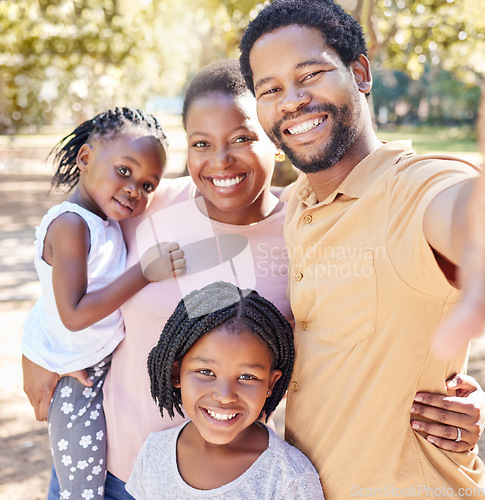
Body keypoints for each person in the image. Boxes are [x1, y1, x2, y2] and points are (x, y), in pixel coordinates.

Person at [22, 61, 484, 498]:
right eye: (201, 143)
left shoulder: (306, 228)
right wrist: (40, 349)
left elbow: (366, 331)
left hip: (237, 486)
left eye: (242, 137)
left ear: (274, 139)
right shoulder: (146, 207)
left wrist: (458, 395)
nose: (220, 161)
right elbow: (66, 262)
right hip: (110, 476)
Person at [239, 0, 485, 497]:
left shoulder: (415, 189)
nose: (291, 101)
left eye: (311, 74)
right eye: (271, 89)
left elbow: (461, 215)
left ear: (359, 72)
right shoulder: (295, 207)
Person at [21, 107, 185, 500]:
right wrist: (144, 273)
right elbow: (73, 313)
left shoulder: (104, 222)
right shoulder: (71, 225)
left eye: (149, 185)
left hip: (100, 367)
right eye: (125, 171)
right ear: (85, 158)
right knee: (82, 489)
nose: (134, 190)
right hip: (77, 377)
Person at [125, 281, 324, 499]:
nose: (225, 395)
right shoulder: (154, 453)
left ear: (271, 383)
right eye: (206, 372)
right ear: (177, 373)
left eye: (247, 377)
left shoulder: (289, 479)